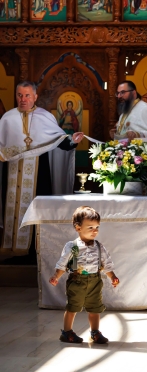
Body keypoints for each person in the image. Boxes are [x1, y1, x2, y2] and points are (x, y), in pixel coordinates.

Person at [0, 81, 84, 259]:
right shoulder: (7, 118)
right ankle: (11, 247)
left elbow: (59, 140)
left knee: (36, 209)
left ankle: (34, 251)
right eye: (19, 95)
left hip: (38, 176)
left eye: (27, 95)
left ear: (35, 97)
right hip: (12, 175)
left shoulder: (45, 117)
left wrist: (72, 141)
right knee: (11, 208)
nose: (23, 99)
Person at [49, 206, 120, 344]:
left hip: (95, 281)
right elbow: (63, 263)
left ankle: (95, 332)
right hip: (77, 281)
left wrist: (112, 276)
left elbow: (106, 263)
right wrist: (56, 276)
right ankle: (67, 332)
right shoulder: (72, 246)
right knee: (73, 307)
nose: (95, 231)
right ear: (78, 227)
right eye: (90, 227)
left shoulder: (99, 247)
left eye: (97, 227)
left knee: (95, 307)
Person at [111, 80, 147, 195]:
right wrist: (116, 134)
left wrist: (137, 135)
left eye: (122, 92)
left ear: (134, 93)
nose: (119, 96)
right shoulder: (124, 113)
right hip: (125, 165)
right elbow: (124, 136)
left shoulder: (145, 109)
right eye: (118, 93)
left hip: (142, 166)